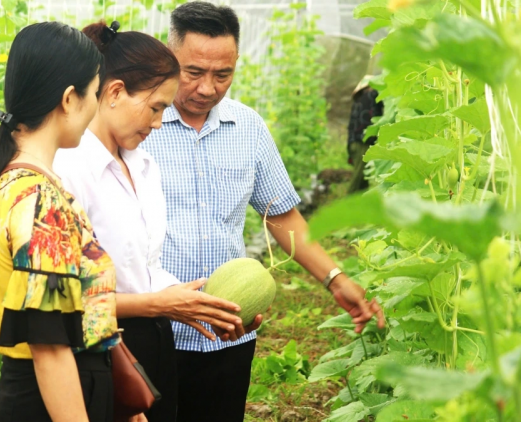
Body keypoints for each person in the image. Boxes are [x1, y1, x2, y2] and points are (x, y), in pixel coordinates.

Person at [140, 3, 387, 421]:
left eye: (223, 75)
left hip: (229, 333)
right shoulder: (140, 129)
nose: (207, 88)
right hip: (153, 332)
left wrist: (335, 279)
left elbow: (281, 215)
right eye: (193, 72)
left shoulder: (248, 128)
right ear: (169, 58)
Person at [53, 21, 244, 422]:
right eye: (155, 107)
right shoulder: (69, 169)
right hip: (97, 347)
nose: (158, 123)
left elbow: (146, 269)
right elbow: (64, 300)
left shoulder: (143, 166)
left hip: (152, 343)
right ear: (115, 92)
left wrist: (204, 305)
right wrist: (160, 303)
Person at [0, 22, 120, 422]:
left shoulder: (8, 181)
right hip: (49, 401)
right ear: (70, 98)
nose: (95, 109)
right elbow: (49, 346)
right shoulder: (39, 202)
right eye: (95, 93)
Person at [347, 75, 383, 193]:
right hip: (363, 143)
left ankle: (361, 208)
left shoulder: (358, 99)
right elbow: (377, 118)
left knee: (362, 181)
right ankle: (346, 208)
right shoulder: (372, 95)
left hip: (354, 142)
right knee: (357, 182)